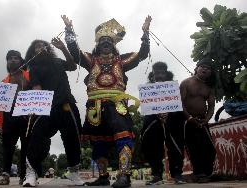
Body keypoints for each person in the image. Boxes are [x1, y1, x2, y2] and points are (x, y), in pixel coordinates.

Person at [62, 15, 151, 188]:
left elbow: (142, 55)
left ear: (114, 45)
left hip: (116, 104)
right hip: (94, 106)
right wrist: (69, 30)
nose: (105, 42)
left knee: (124, 136)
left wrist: (145, 33)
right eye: (102, 40)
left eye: (108, 40)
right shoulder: (91, 60)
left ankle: (124, 175)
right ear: (97, 44)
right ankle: (103, 177)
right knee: (97, 141)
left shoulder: (122, 61)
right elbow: (74, 51)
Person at [22, 38, 84, 187]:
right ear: (33, 51)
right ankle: (31, 173)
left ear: (48, 48)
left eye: (43, 45)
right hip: (47, 106)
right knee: (36, 136)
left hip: (66, 104)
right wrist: (35, 106)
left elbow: (73, 66)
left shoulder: (57, 61)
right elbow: (37, 88)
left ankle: (74, 172)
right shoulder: (34, 67)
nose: (41, 47)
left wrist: (63, 48)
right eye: (37, 47)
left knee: (73, 138)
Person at [0, 50, 31, 185]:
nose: (13, 60)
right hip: (8, 116)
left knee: (26, 147)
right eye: (10, 58)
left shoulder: (29, 76)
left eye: (16, 58)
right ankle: (5, 176)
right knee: (7, 147)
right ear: (7, 62)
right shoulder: (3, 82)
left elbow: (37, 92)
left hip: (25, 116)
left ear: (21, 61)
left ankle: (24, 176)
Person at [141, 62, 186, 185]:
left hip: (173, 118)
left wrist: (168, 113)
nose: (159, 75)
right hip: (153, 120)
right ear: (153, 74)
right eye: (156, 73)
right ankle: (156, 174)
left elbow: (178, 103)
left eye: (162, 72)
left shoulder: (174, 87)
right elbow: (147, 106)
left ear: (166, 73)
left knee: (175, 145)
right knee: (152, 146)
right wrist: (157, 114)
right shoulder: (147, 88)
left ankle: (177, 174)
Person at [180, 57, 216, 183]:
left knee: (209, 148)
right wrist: (189, 118)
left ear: (211, 72)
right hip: (188, 121)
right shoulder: (186, 83)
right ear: (196, 68)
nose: (205, 69)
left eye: (208, 68)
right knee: (194, 148)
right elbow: (180, 104)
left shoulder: (209, 87)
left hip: (202, 121)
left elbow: (211, 106)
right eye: (203, 67)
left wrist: (206, 119)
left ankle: (207, 173)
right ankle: (199, 174)